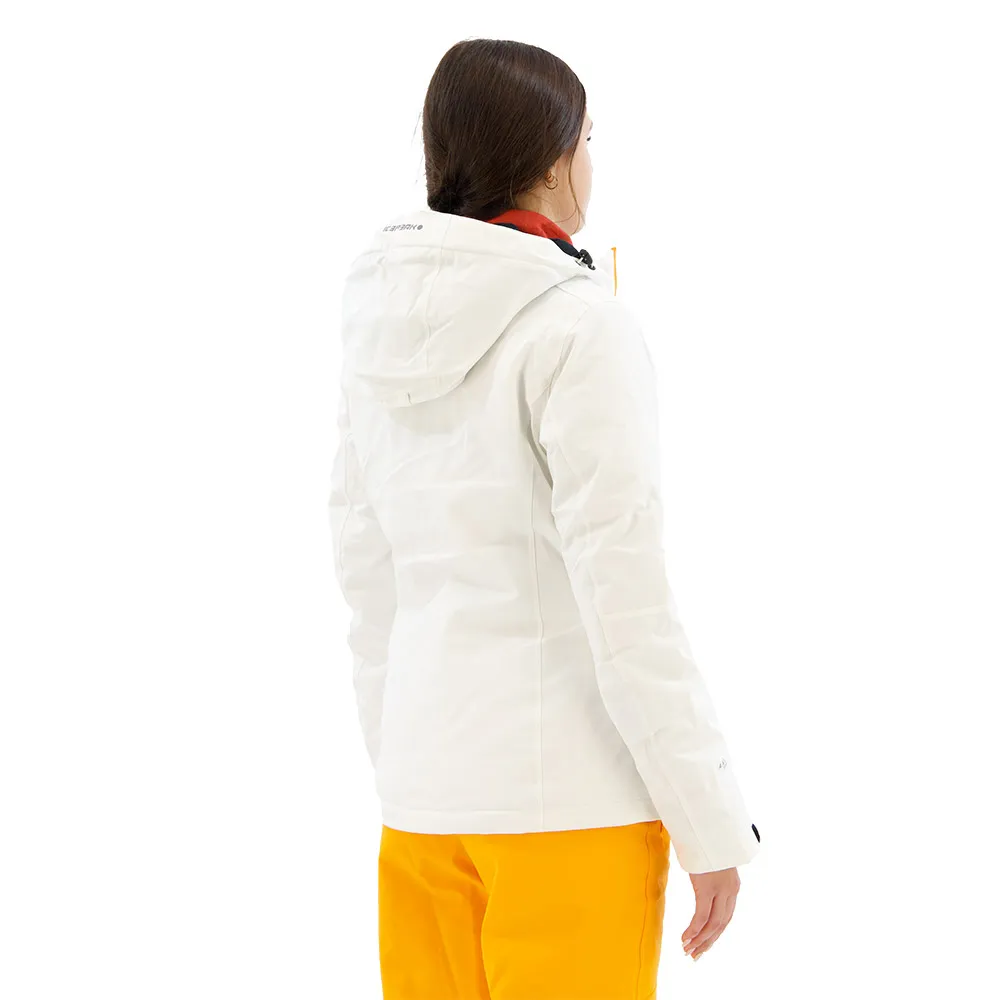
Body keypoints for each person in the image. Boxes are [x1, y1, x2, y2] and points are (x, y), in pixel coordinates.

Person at [328, 36, 761, 1000]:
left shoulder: (374, 326)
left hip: (422, 809)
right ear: (557, 156)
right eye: (589, 140)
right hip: (571, 808)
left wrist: (409, 768)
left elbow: (366, 572)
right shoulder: (578, 325)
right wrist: (709, 821)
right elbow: (626, 598)